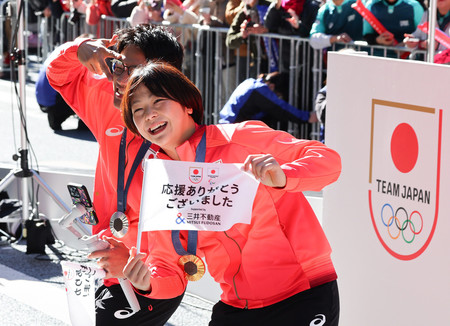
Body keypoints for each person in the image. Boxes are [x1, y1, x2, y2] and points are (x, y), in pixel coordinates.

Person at [121, 62, 342, 326]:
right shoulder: (161, 181)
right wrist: (148, 283)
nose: (149, 114)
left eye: (158, 101)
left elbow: (328, 160)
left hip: (302, 294)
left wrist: (285, 174)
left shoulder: (239, 137)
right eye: (138, 110)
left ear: (187, 104)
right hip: (237, 305)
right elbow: (169, 267)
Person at [46, 25, 185, 325]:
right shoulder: (107, 100)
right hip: (107, 264)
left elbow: (177, 261)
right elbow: (56, 74)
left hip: (148, 277)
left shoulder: (183, 144)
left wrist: (137, 267)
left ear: (163, 76)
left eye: (130, 69)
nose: (117, 78)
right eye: (116, 65)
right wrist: (82, 48)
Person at [219, 71, 317, 129]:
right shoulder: (260, 90)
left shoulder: (250, 82)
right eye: (277, 95)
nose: (276, 98)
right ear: (272, 86)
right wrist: (307, 117)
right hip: (233, 129)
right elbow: (281, 108)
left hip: (227, 125)